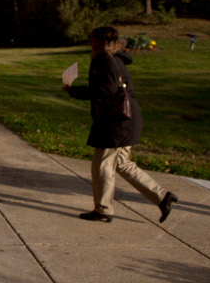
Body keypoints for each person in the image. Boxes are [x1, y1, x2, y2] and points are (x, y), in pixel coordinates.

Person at [63, 26, 178, 223]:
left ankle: (104, 209)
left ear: (99, 41)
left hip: (116, 121)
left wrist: (74, 91)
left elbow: (106, 90)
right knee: (122, 164)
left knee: (102, 165)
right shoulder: (116, 58)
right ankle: (162, 196)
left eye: (91, 39)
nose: (90, 42)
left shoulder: (104, 59)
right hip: (127, 118)